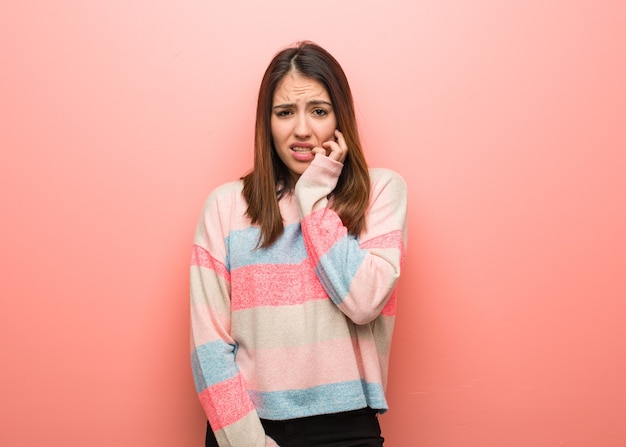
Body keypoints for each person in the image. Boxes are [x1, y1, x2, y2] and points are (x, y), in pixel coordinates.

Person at [190, 41, 408, 447]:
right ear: (266, 122)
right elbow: (208, 348)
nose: (302, 129)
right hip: (250, 431)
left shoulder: (381, 192)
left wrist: (314, 200)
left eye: (319, 111)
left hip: (347, 429)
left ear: (340, 118)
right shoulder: (225, 207)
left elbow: (364, 302)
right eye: (285, 112)